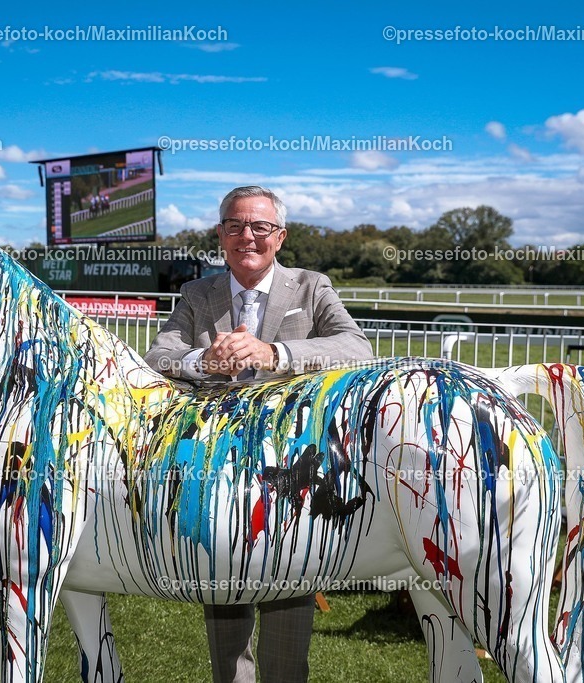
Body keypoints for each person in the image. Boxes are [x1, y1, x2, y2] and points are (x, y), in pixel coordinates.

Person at [144, 186, 374, 682]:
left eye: (260, 227)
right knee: (225, 615)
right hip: (218, 473)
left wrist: (276, 355)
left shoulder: (311, 286)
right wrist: (200, 361)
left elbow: (358, 348)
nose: (247, 236)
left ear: (280, 236)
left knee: (288, 613)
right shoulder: (196, 293)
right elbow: (157, 357)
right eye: (235, 226)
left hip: (294, 473)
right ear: (220, 234)